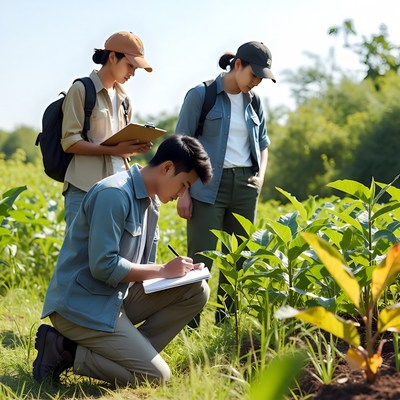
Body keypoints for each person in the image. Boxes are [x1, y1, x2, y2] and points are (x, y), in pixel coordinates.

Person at [32, 135, 213, 387]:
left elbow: (143, 271)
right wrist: (163, 269)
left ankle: (128, 353)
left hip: (116, 298)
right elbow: (103, 266)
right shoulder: (114, 194)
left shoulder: (152, 203)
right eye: (183, 184)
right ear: (167, 167)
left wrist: (180, 273)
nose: (182, 193)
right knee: (157, 378)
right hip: (81, 306)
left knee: (196, 289)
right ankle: (65, 349)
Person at [175, 41, 276, 326]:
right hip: (206, 187)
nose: (256, 83)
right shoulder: (201, 95)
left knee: (238, 260)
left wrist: (261, 176)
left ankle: (225, 326)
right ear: (238, 65)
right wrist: (183, 192)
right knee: (200, 261)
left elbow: (264, 144)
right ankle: (189, 327)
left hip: (245, 187)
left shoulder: (254, 101)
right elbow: (181, 144)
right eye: (254, 75)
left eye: (261, 79)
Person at [62, 31, 153, 228]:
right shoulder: (81, 90)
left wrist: (133, 147)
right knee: (79, 256)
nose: (132, 73)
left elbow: (119, 146)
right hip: (84, 188)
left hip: (118, 189)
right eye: (130, 65)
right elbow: (69, 142)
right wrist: (113, 150)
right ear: (112, 57)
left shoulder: (125, 100)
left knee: (111, 255)